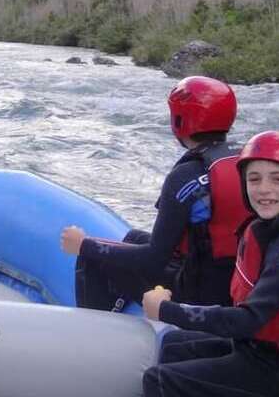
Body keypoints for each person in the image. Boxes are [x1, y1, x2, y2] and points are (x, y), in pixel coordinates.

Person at [142, 130, 279, 397]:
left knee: (158, 379)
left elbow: (246, 320)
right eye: (254, 179)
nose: (263, 189)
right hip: (263, 351)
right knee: (172, 345)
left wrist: (165, 310)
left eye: (278, 179)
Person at [61, 76, 249, 310]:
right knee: (133, 238)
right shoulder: (246, 160)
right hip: (232, 279)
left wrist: (84, 245)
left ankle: (96, 332)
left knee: (93, 257)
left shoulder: (185, 175)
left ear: (179, 120)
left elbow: (153, 260)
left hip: (197, 292)